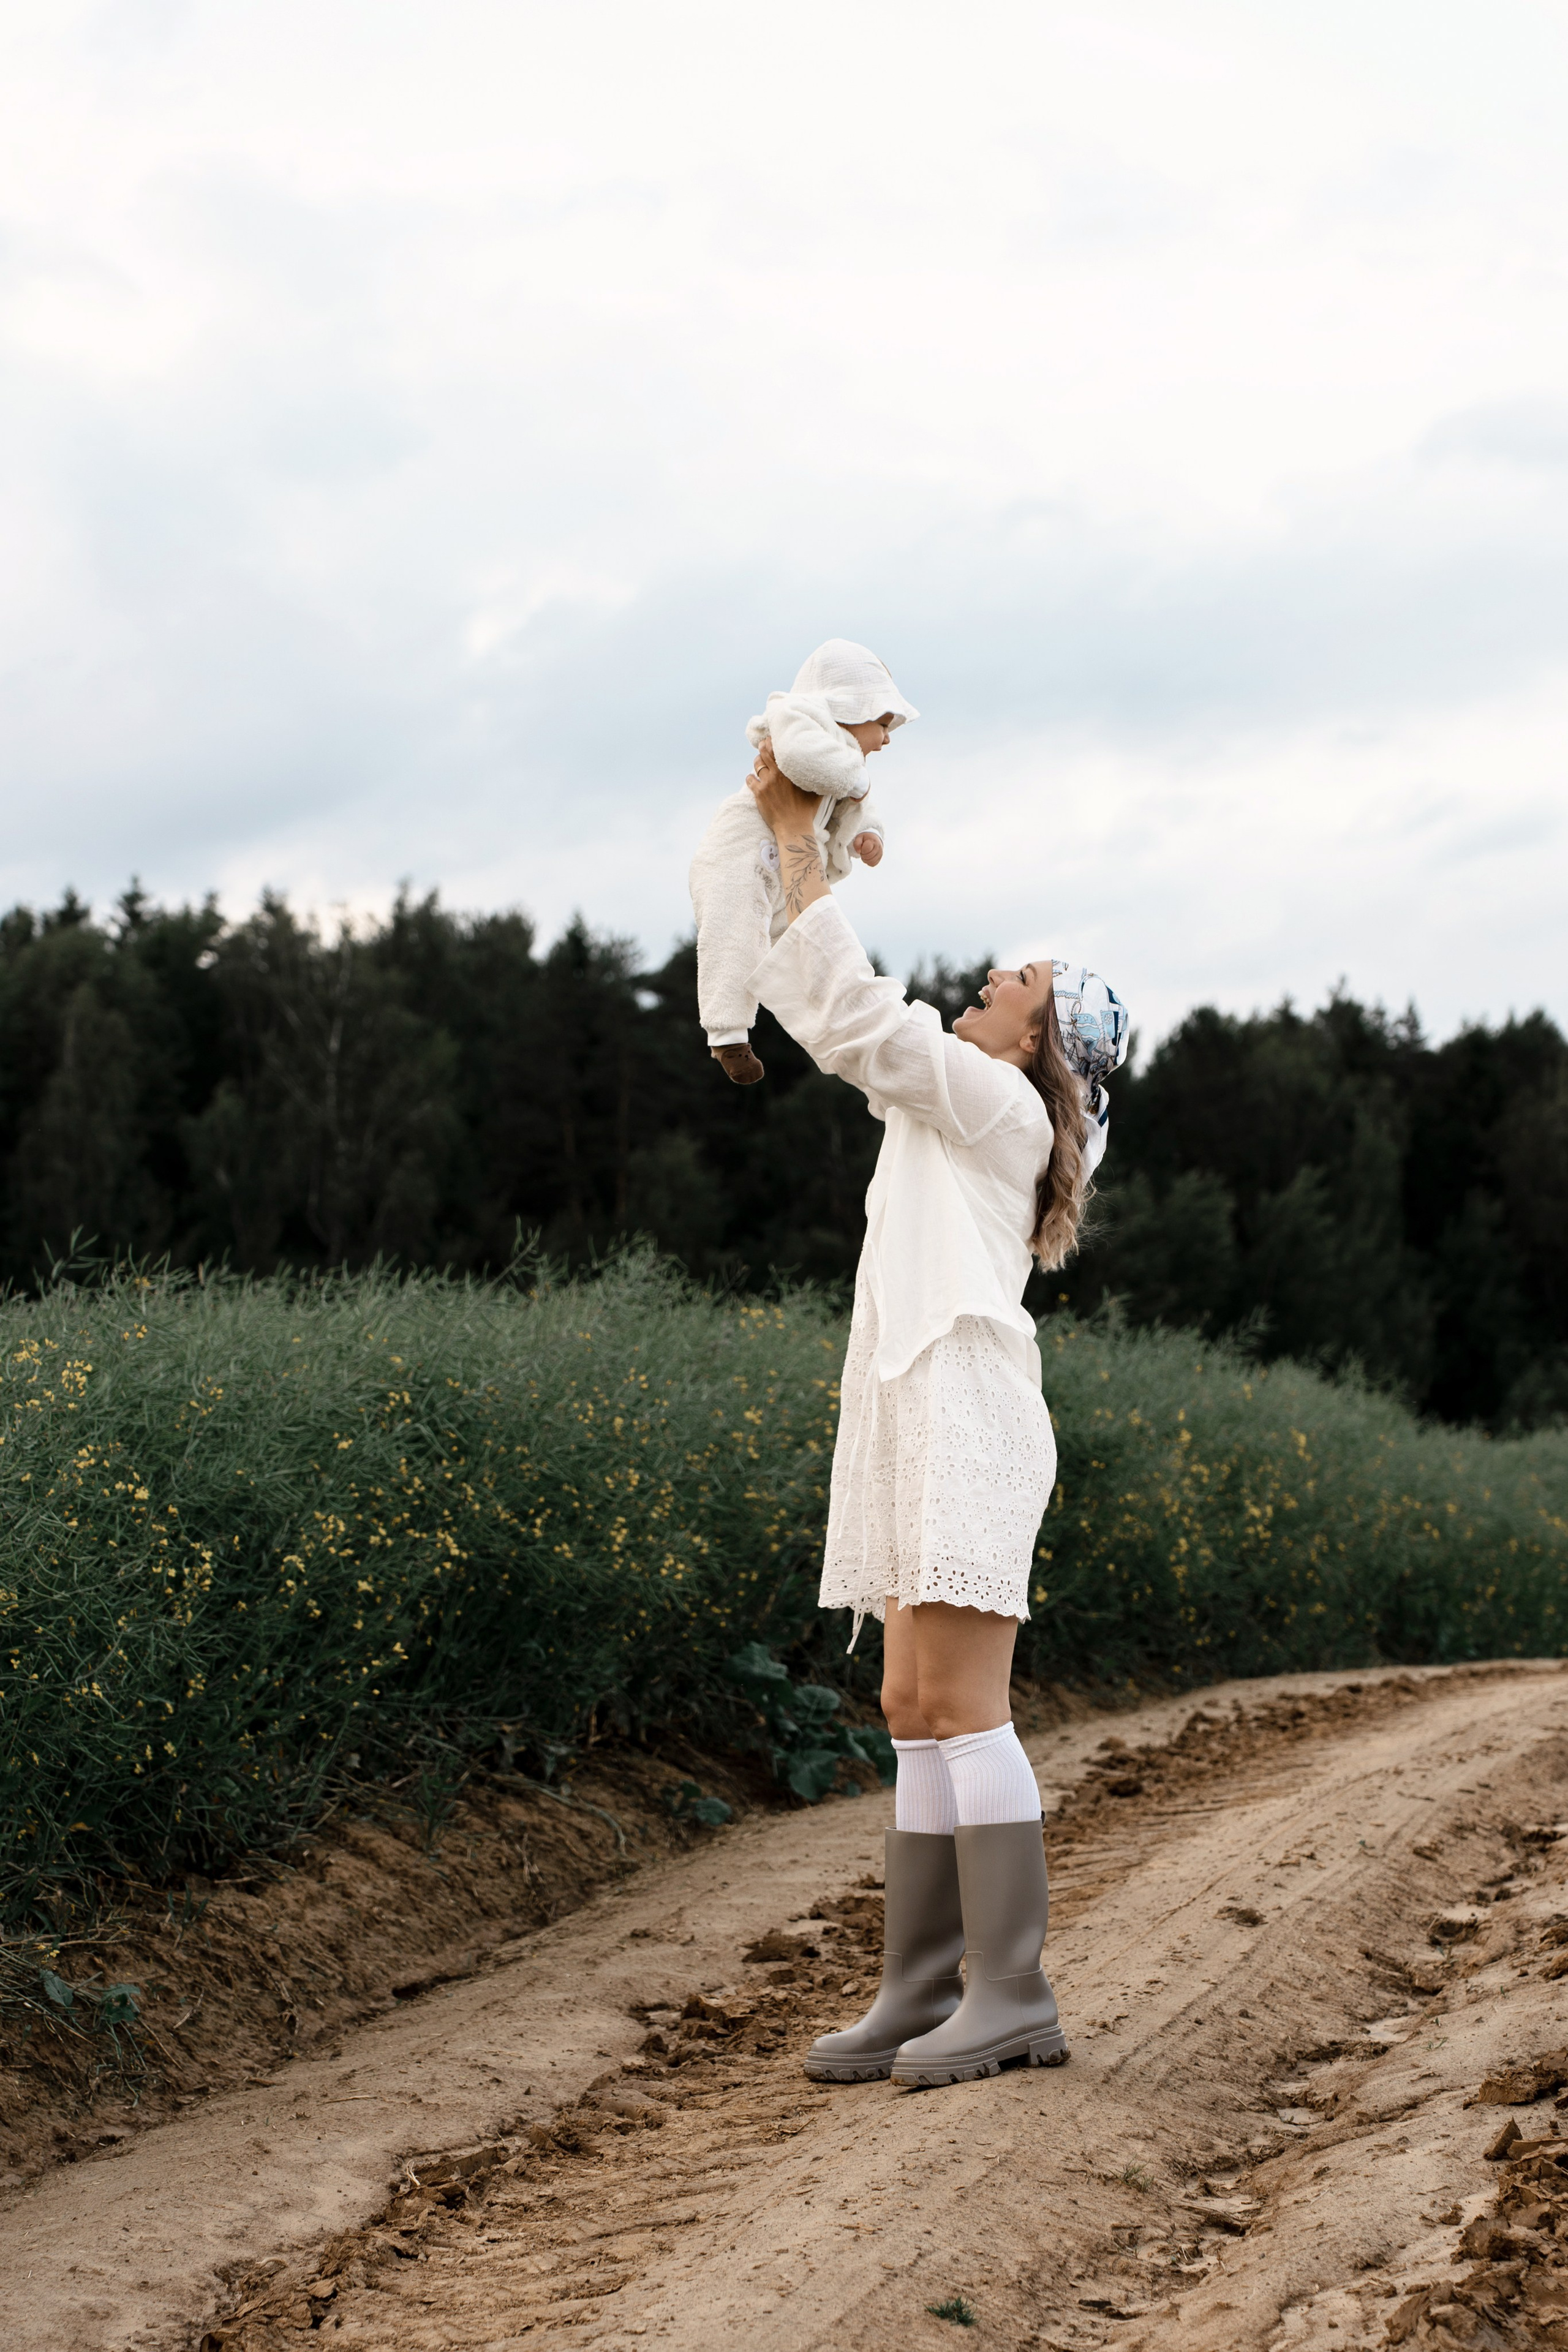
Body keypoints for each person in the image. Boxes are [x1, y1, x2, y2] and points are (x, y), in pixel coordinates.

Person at [745, 742, 1128, 2090]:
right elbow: (855, 1025)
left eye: (1011, 984)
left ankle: (1010, 1989)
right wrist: (821, 850)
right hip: (913, 1407)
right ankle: (915, 1987)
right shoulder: (956, 1109)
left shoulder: (997, 1104)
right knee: (911, 1701)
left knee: (963, 1706)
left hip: (963, 1409)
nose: (984, 984)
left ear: (1040, 1043)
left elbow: (852, 1016)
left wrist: (797, 841)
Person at [689, 638, 916, 1086]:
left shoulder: (846, 760)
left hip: (782, 862)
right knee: (733, 932)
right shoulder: (797, 719)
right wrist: (857, 782)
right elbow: (801, 760)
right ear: (849, 706)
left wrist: (869, 834)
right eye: (884, 723)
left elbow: (857, 801)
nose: (888, 739)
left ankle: (825, 1028)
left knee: (796, 951)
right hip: (741, 846)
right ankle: (727, 1033)